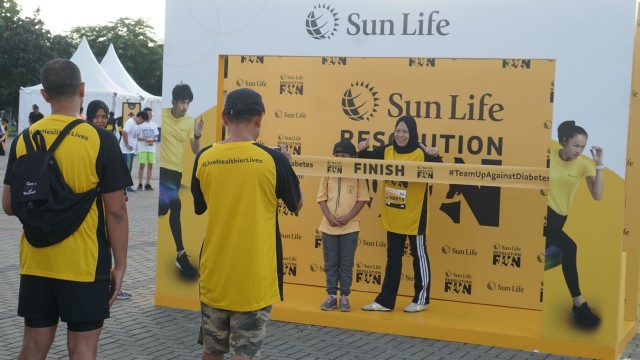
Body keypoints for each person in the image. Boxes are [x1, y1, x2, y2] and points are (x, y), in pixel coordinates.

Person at [1, 58, 131, 359]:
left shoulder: (24, 139)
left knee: (32, 347)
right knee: (83, 348)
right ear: (82, 89)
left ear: (44, 95)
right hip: (84, 265)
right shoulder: (102, 141)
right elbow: (116, 211)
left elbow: (8, 205)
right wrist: (121, 265)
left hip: (36, 261)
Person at [191, 87, 302, 360]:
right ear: (260, 118)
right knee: (244, 355)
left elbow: (200, 206)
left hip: (214, 274)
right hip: (255, 277)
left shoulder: (204, 157)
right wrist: (289, 164)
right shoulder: (274, 160)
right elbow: (297, 205)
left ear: (225, 118)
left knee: (212, 350)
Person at [357, 115, 442, 313]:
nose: (400, 135)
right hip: (393, 215)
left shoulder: (422, 153)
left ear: (412, 133)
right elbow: (367, 160)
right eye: (397, 131)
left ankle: (421, 299)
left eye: (404, 131)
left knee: (419, 255)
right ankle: (385, 302)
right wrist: (361, 150)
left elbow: (439, 170)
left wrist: (435, 155)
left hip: (415, 216)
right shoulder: (387, 150)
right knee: (393, 257)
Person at [546, 120, 604, 327]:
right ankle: (579, 304)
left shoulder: (583, 165)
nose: (579, 150)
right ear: (564, 141)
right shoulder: (548, 156)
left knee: (555, 253)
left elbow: (597, 196)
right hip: (543, 215)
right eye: (575, 145)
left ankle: (578, 304)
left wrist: (599, 165)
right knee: (570, 248)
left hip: (559, 219)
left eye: (582, 146)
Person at [87, 99, 132, 301]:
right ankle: (110, 282)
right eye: (96, 116)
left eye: (103, 116)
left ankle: (112, 282)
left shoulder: (109, 138)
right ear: (88, 117)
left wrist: (121, 191)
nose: (100, 120)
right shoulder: (95, 140)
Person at [317, 139, 369, 312]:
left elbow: (362, 199)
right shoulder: (327, 172)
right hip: (328, 226)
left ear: (353, 157)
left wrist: (348, 217)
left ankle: (345, 296)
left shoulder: (358, 174)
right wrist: (329, 217)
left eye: (344, 156)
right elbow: (321, 198)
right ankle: (331, 295)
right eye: (337, 156)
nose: (340, 159)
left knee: (346, 263)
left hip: (350, 227)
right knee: (331, 262)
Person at [159, 83, 204, 277]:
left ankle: (162, 208)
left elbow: (195, 150)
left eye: (188, 103)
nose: (185, 107)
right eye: (182, 103)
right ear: (173, 102)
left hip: (175, 172)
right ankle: (181, 254)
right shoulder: (161, 115)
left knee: (163, 209)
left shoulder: (189, 121)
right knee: (176, 206)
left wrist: (197, 133)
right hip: (162, 170)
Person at [120, 111, 147, 193]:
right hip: (126, 151)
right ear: (140, 117)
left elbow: (135, 136)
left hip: (130, 151)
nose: (142, 123)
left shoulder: (135, 124)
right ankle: (126, 187)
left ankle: (125, 186)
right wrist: (127, 145)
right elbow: (124, 132)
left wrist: (143, 138)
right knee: (127, 169)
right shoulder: (131, 122)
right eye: (142, 121)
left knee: (129, 168)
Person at [136, 107, 158, 191]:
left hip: (151, 148)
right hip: (142, 148)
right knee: (142, 165)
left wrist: (154, 140)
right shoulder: (140, 124)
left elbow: (156, 136)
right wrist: (144, 139)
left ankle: (148, 183)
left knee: (150, 166)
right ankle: (140, 183)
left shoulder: (154, 124)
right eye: (148, 113)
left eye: (151, 114)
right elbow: (137, 137)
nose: (150, 115)